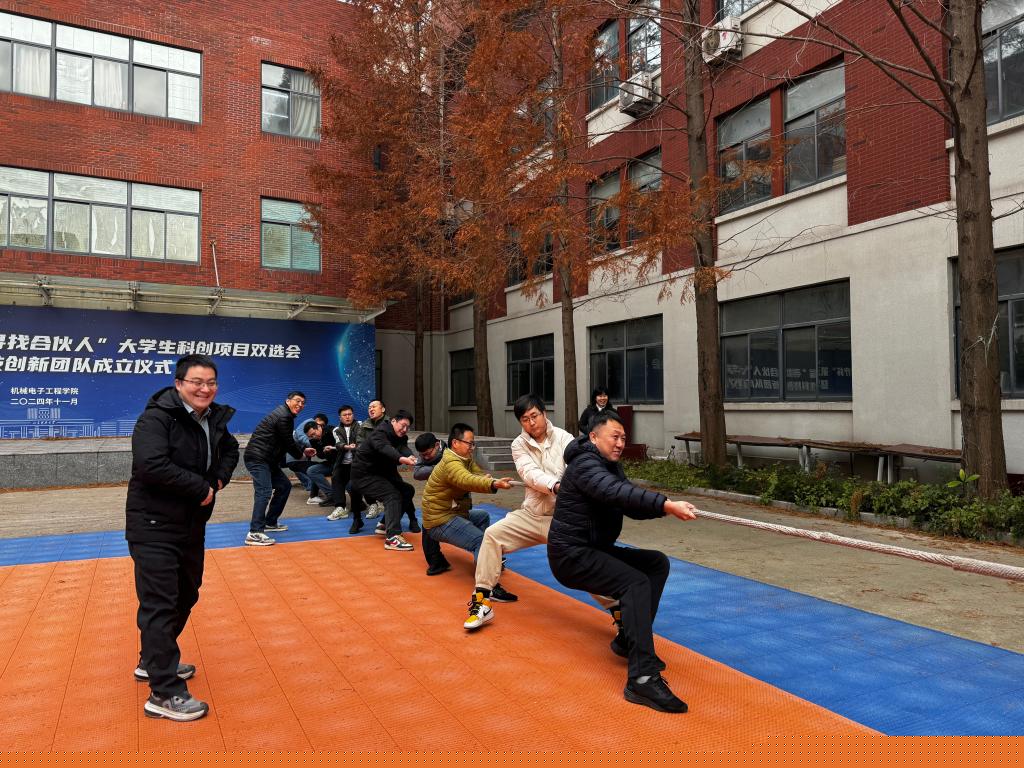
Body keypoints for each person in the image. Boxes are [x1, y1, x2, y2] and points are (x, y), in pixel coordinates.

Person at [547, 410, 698, 714]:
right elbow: (615, 491)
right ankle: (642, 678)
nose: (620, 443)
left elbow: (628, 501)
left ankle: (627, 642)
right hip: (571, 555)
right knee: (635, 582)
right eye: (614, 437)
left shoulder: (608, 465)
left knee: (655, 564)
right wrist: (666, 504)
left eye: (623, 438)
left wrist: (665, 508)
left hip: (593, 549)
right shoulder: (585, 465)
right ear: (593, 437)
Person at [125, 354, 239, 721]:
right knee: (159, 603)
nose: (205, 389)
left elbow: (230, 449)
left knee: (187, 593)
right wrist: (199, 488)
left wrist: (218, 479)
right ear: (179, 384)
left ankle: (152, 660)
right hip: (153, 524)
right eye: (196, 382)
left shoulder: (212, 417)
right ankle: (164, 692)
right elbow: (151, 465)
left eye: (211, 382)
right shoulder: (156, 419)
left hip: (190, 524)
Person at [464, 394, 614, 631]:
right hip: (532, 516)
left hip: (563, 519)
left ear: (544, 413)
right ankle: (482, 602)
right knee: (492, 535)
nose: (531, 422)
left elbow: (578, 468)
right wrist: (556, 486)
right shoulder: (518, 445)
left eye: (534, 416)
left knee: (583, 564)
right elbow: (530, 473)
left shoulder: (565, 438)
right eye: (525, 419)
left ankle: (619, 612)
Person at [421, 423, 513, 583]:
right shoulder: (451, 462)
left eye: (473, 443)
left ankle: (482, 559)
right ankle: (486, 583)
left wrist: (493, 481)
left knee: (482, 516)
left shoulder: (464, 459)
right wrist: (492, 484)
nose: (472, 447)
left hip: (450, 512)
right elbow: (466, 480)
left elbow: (478, 476)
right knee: (482, 541)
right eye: (469, 443)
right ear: (455, 443)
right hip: (440, 520)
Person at [243, 391, 316, 546]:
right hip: (258, 458)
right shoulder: (284, 416)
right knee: (264, 491)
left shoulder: (284, 415)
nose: (300, 405)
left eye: (303, 403)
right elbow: (288, 442)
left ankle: (270, 522)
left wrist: (302, 450)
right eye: (297, 401)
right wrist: (301, 455)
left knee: (284, 485)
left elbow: (285, 441)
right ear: (288, 401)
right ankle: (255, 532)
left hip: (267, 459)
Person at [350, 409, 419, 551]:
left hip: (381, 474)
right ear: (393, 421)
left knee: (407, 490)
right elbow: (384, 448)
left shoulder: (399, 436)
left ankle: (385, 524)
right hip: (364, 475)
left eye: (408, 427)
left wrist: (410, 456)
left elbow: (402, 447)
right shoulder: (380, 433)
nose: (405, 429)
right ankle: (393, 537)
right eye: (403, 425)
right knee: (392, 495)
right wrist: (401, 459)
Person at [412, 432, 453, 575]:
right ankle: (437, 561)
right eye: (422, 455)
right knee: (428, 523)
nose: (425, 457)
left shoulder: (450, 453)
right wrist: (439, 468)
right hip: (437, 497)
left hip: (455, 498)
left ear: (437, 445)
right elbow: (417, 473)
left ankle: (491, 557)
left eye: (428, 454)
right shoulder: (426, 451)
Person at [326, 404, 365, 530]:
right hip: (342, 462)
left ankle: (373, 504)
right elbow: (339, 443)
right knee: (336, 477)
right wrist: (346, 446)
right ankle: (340, 507)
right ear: (340, 417)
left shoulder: (360, 425)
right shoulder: (336, 430)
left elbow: (361, 440)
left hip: (358, 462)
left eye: (350, 414)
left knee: (357, 484)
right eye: (345, 415)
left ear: (353, 415)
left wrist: (355, 446)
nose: (348, 417)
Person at [356, 400, 388, 520]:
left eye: (374, 407)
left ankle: (389, 507)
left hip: (386, 460)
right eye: (369, 407)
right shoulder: (365, 425)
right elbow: (359, 442)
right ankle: (373, 504)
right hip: (369, 460)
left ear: (383, 409)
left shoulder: (390, 424)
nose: (371, 409)